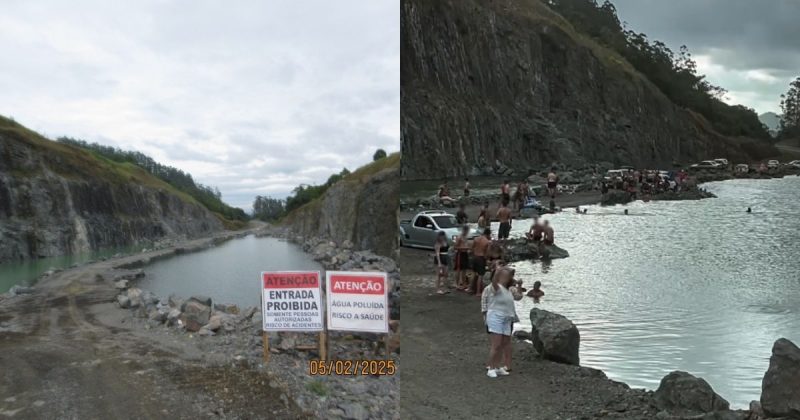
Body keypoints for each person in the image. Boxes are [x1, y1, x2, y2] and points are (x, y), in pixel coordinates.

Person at [483, 268, 522, 378]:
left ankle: (497, 366)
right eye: (505, 276)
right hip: (496, 317)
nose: (508, 278)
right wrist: (497, 270)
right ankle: (491, 367)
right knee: (497, 344)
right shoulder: (495, 288)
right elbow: (494, 281)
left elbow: (518, 297)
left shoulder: (508, 290)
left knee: (504, 342)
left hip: (507, 318)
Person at [469, 228, 492, 295]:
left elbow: (471, 248)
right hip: (481, 258)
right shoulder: (487, 242)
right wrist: (487, 259)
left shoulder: (476, 239)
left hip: (475, 256)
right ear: (488, 234)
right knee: (480, 275)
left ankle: (470, 288)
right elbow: (487, 253)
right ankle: (478, 292)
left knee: (473, 273)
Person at [453, 225, 471, 290]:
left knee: (464, 270)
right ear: (464, 230)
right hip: (460, 254)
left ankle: (463, 283)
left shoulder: (465, 237)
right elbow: (455, 247)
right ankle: (456, 283)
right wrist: (465, 248)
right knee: (458, 269)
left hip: (465, 254)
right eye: (467, 231)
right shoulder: (459, 237)